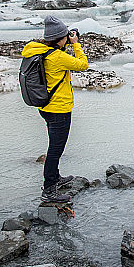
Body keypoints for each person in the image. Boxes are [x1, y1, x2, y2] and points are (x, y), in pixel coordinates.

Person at [22, 15, 89, 203]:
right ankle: (49, 189)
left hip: (45, 106)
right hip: (59, 109)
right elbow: (82, 64)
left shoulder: (41, 51)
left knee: (54, 144)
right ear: (60, 38)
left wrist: (65, 43)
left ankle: (56, 177)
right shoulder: (58, 57)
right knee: (55, 150)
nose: (68, 37)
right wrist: (76, 44)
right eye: (66, 35)